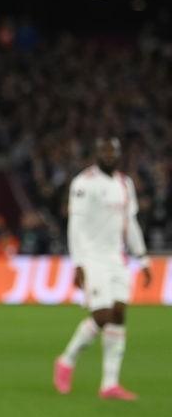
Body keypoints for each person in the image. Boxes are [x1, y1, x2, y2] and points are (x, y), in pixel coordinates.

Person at [53, 138, 150, 400]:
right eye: (104, 151)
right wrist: (78, 263)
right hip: (93, 258)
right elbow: (75, 225)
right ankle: (66, 360)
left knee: (119, 314)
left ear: (119, 154)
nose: (109, 155)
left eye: (113, 151)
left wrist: (142, 258)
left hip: (117, 258)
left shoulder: (125, 184)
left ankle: (109, 384)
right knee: (104, 313)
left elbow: (131, 223)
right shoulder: (84, 183)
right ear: (96, 153)